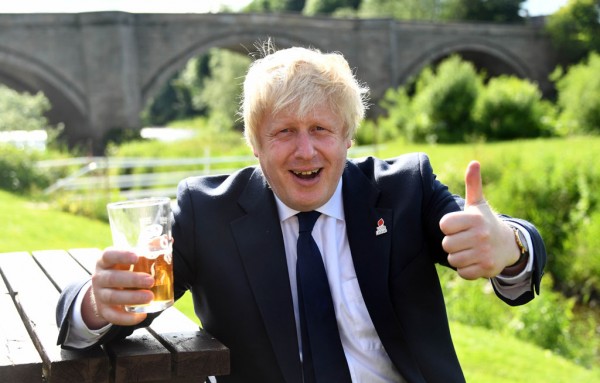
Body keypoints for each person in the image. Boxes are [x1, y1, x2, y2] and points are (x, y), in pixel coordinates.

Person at [56, 41, 546, 383]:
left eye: (321, 129)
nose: (306, 151)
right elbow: (113, 311)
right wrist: (99, 303)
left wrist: (512, 247)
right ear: (254, 145)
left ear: (348, 137)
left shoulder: (404, 190)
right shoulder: (206, 214)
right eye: (284, 132)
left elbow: (506, 248)